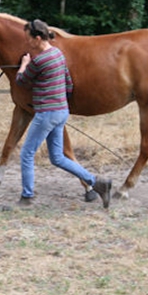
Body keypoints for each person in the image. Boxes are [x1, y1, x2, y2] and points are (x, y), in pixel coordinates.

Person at [15, 19, 112, 208]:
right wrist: (58, 102)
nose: (27, 42)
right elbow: (68, 83)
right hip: (61, 111)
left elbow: (21, 81)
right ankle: (98, 183)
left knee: (26, 154)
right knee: (57, 157)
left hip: (46, 114)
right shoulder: (58, 54)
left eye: (28, 39)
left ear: (37, 38)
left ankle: (27, 197)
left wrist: (24, 64)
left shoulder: (39, 60)